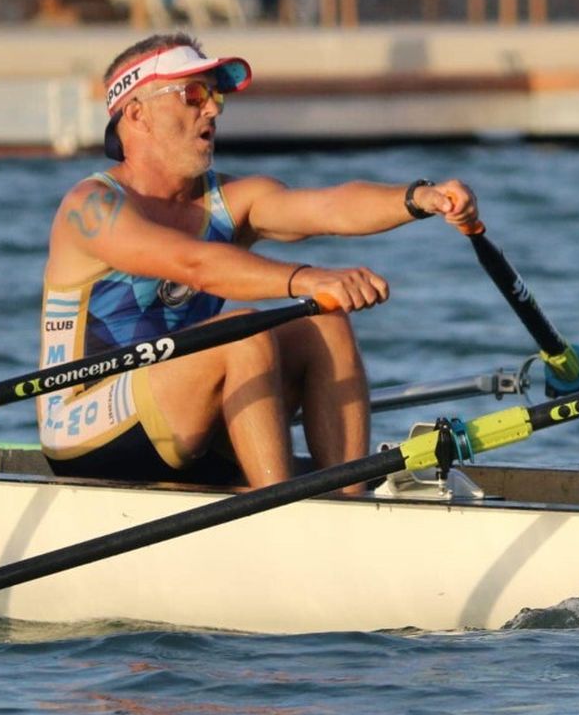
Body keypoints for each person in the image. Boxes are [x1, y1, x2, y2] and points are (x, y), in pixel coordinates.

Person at [40, 32, 477, 488]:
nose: (212, 109)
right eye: (193, 95)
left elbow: (329, 207)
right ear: (137, 114)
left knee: (325, 324)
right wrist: (306, 279)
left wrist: (420, 197)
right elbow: (196, 265)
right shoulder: (90, 207)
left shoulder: (231, 200)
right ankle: (278, 506)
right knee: (242, 337)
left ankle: (350, 501)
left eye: (215, 96)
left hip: (188, 418)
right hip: (87, 428)